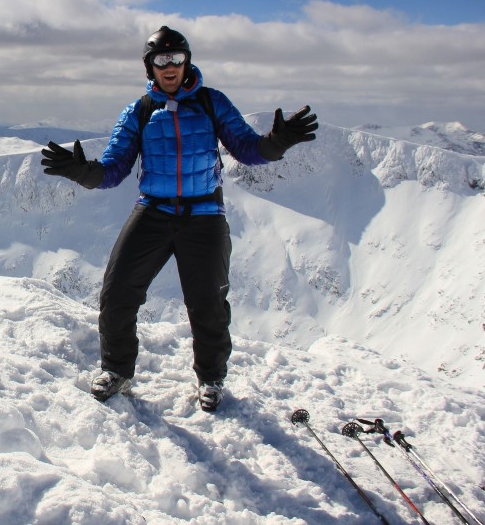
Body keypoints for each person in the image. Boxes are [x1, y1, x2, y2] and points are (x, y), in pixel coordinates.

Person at [40, 25, 317, 412]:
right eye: (160, 60)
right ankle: (116, 369)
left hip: (204, 215)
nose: (169, 67)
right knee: (117, 292)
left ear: (187, 62)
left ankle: (211, 378)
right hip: (153, 210)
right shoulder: (139, 111)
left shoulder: (211, 102)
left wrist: (278, 142)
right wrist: (79, 171)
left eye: (176, 58)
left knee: (208, 305)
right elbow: (114, 170)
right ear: (149, 67)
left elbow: (249, 150)